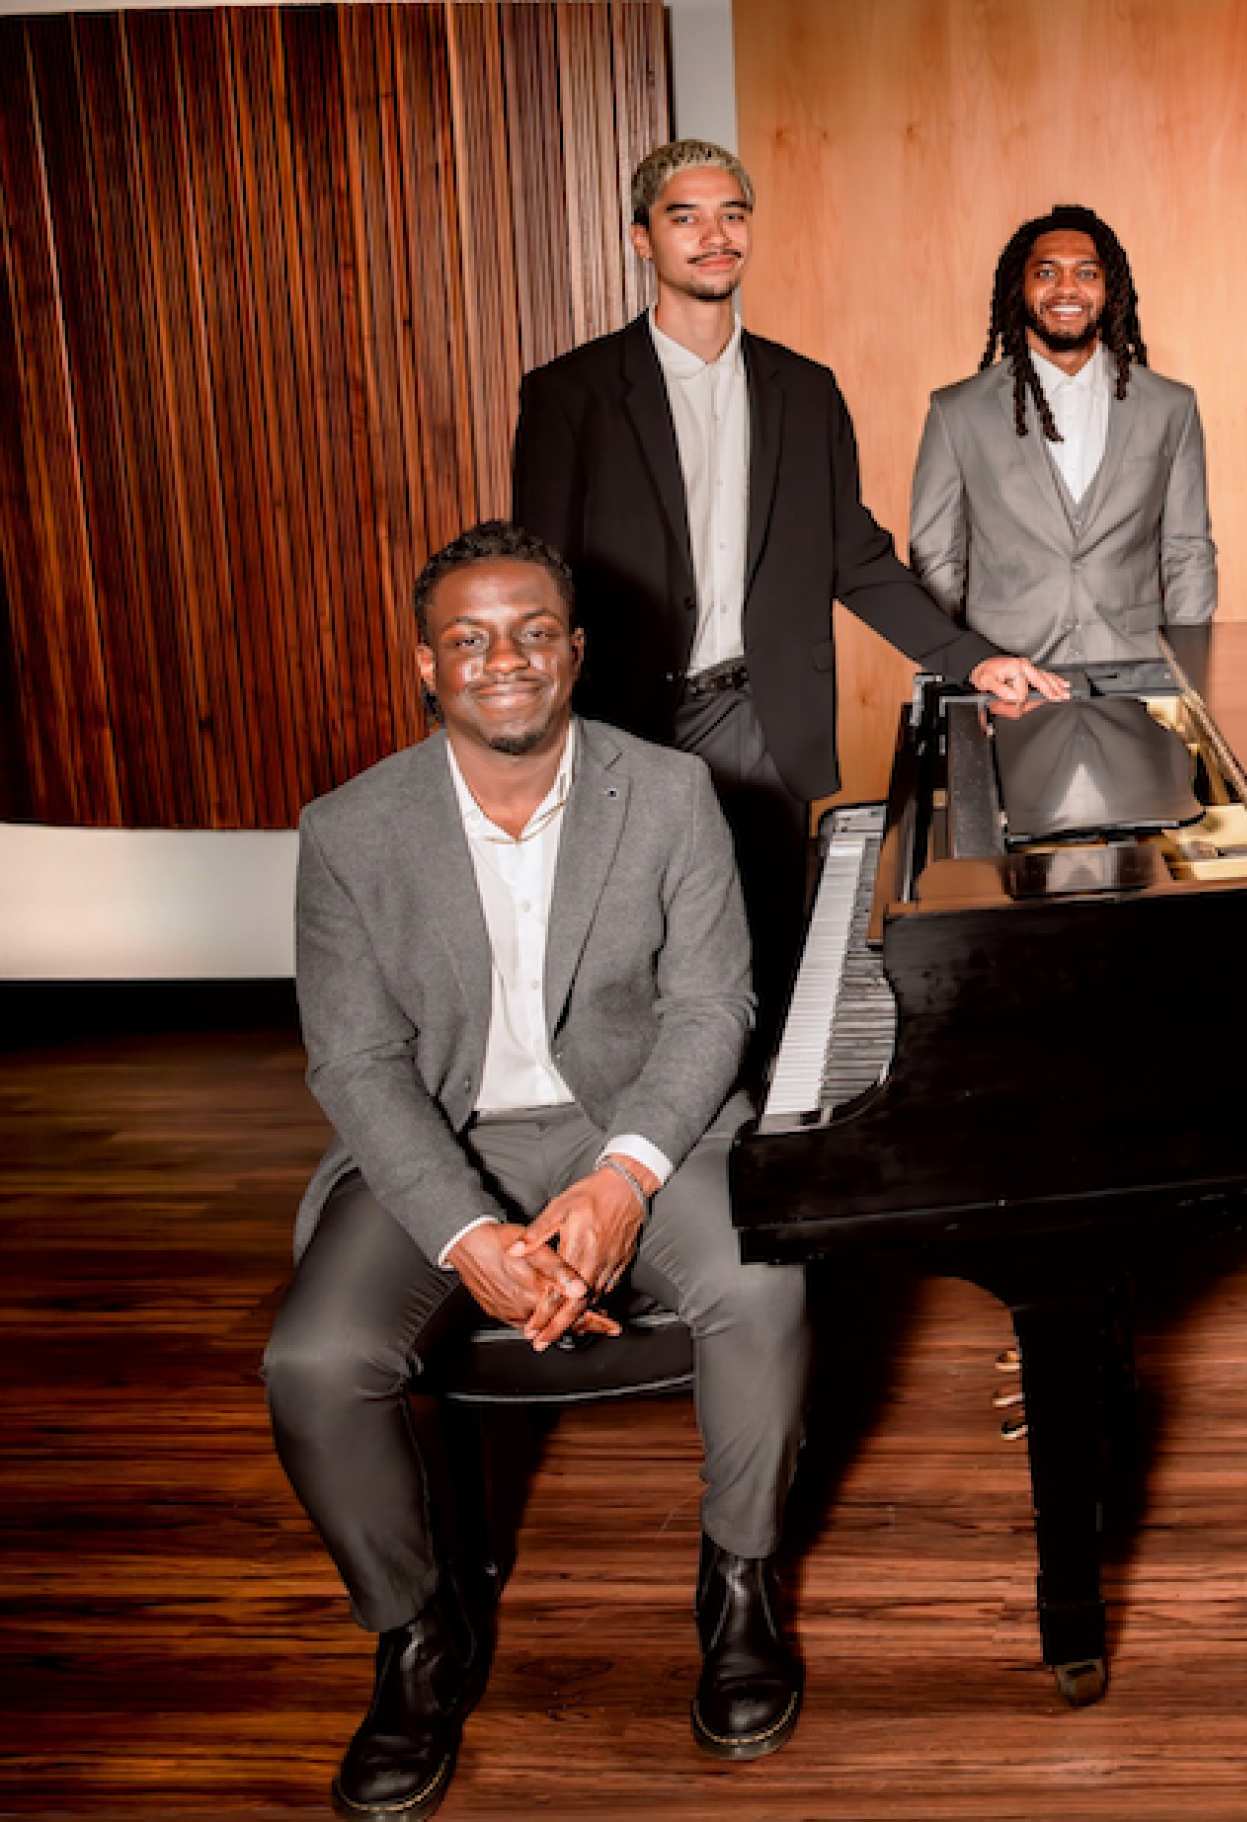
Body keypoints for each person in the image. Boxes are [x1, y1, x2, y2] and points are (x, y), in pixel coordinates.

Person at [264, 523, 811, 1820]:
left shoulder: (671, 792)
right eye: (468, 636)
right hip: (443, 1145)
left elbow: (711, 1005)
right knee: (313, 1362)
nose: (501, 657)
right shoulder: (348, 829)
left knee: (764, 1288)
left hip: (638, 1126)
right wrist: (467, 1234)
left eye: (530, 631)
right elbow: (355, 1063)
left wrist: (621, 1181)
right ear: (426, 665)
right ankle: (415, 1636)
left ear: (574, 650)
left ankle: (738, 1582)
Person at [513, 141, 1065, 1057]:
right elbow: (542, 585)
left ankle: (759, 1142)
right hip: (627, 720)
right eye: (685, 216)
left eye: (731, 213)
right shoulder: (570, 395)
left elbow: (857, 556)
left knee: (767, 949)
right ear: (642, 239)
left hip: (766, 715)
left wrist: (972, 658)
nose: (714, 234)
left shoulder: (805, 391)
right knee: (638, 959)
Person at [909, 204, 1216, 665]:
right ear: (1021, 287)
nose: (1067, 288)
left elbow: (1187, 551)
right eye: (1047, 272)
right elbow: (937, 561)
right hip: (1007, 681)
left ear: (1110, 290)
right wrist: (959, 669)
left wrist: (1190, 674)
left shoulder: (1172, 407)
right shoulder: (956, 412)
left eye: (1087, 273)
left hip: (1137, 677)